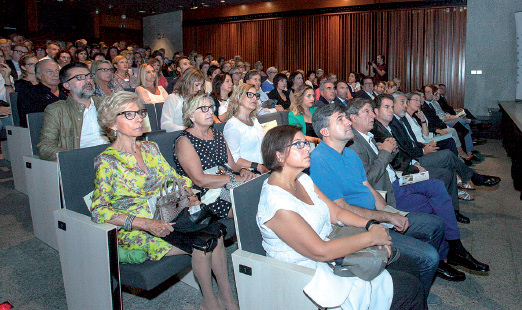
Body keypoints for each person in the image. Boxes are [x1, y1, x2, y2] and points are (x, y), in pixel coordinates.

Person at [91, 91, 238, 310]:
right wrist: (146, 223)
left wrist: (191, 197)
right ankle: (210, 302)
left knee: (213, 231)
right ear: (112, 124)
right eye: (130, 115)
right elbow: (99, 210)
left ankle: (226, 297)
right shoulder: (107, 161)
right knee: (204, 241)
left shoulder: (150, 148)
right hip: (138, 228)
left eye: (140, 112)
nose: (140, 118)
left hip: (168, 214)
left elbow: (176, 178)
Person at [258, 125, 427, 310]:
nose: (307, 148)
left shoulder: (302, 180)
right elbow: (320, 251)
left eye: (305, 143)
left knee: (406, 264)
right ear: (279, 155)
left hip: (331, 247)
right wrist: (371, 238)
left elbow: (336, 212)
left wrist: (371, 225)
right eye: (298, 144)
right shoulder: (276, 204)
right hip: (308, 273)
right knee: (410, 289)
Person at [347, 98, 490, 282]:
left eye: (371, 111)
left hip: (397, 179)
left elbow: (392, 161)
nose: (372, 115)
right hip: (388, 192)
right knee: (432, 204)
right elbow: (368, 178)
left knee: (437, 189)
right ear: (353, 118)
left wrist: (389, 151)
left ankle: (450, 250)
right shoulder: (354, 143)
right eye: (366, 112)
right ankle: (449, 252)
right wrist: (385, 152)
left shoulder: (368, 136)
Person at [309, 103, 444, 296]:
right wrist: (385, 218)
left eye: (346, 117)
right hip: (356, 226)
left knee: (435, 224)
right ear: (325, 131)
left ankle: (410, 279)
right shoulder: (319, 160)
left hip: (377, 215)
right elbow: (342, 209)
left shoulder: (349, 153)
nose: (348, 122)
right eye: (341, 119)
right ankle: (414, 295)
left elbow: (367, 188)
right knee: (429, 257)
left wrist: (391, 212)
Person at [370, 93, 501, 223]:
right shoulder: (383, 129)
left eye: (392, 107)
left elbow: (411, 143)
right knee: (447, 161)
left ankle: (455, 209)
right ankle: (471, 180)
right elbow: (397, 159)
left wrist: (423, 147)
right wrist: (419, 157)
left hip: (412, 160)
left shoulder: (396, 122)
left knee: (449, 163)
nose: (393, 110)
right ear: (376, 111)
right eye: (388, 107)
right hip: (407, 167)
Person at [173, 94, 256, 220]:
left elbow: (232, 165)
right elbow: (200, 180)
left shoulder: (217, 134)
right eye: (204, 108)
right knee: (251, 205)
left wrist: (242, 171)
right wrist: (235, 178)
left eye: (211, 107)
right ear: (191, 116)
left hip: (227, 184)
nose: (211, 112)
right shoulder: (184, 141)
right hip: (207, 194)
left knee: (262, 191)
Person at [38, 62, 108, 161]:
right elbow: (45, 148)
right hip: (83, 160)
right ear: (67, 86)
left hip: (110, 156)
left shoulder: (104, 104)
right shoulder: (57, 110)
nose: (88, 80)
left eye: (89, 76)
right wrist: (75, 156)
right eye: (80, 77)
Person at [223, 83, 269, 174]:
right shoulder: (232, 125)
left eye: (256, 95)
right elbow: (233, 158)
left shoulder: (254, 121)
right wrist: (257, 166)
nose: (254, 98)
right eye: (250, 95)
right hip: (247, 172)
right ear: (239, 98)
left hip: (262, 167)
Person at [17, 59, 67, 128]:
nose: (56, 74)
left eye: (57, 71)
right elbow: (30, 120)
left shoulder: (66, 90)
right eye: (49, 72)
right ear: (39, 75)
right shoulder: (30, 93)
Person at [161, 67, 204, 132]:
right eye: (197, 85)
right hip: (178, 134)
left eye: (201, 86)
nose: (199, 88)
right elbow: (165, 125)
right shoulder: (173, 98)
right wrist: (187, 129)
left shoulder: (198, 99)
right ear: (187, 82)